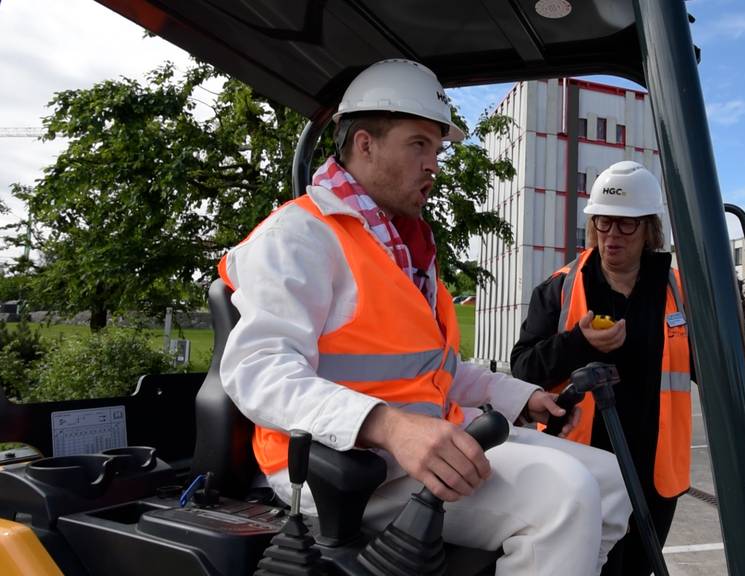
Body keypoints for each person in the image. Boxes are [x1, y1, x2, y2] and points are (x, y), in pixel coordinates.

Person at [218, 58, 630, 576]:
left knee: (612, 481)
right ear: (364, 144)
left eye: (437, 149)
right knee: (564, 496)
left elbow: (439, 369)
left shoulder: (403, 249)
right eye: (418, 145)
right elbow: (256, 371)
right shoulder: (299, 236)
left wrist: (520, 395)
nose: (434, 163)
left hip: (422, 443)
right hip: (340, 468)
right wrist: (388, 426)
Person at [510, 160, 694, 575]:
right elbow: (523, 368)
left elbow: (711, 372)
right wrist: (577, 343)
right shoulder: (560, 288)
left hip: (654, 472)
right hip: (579, 471)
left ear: (649, 228)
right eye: (603, 224)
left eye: (626, 225)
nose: (612, 236)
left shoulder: (679, 292)